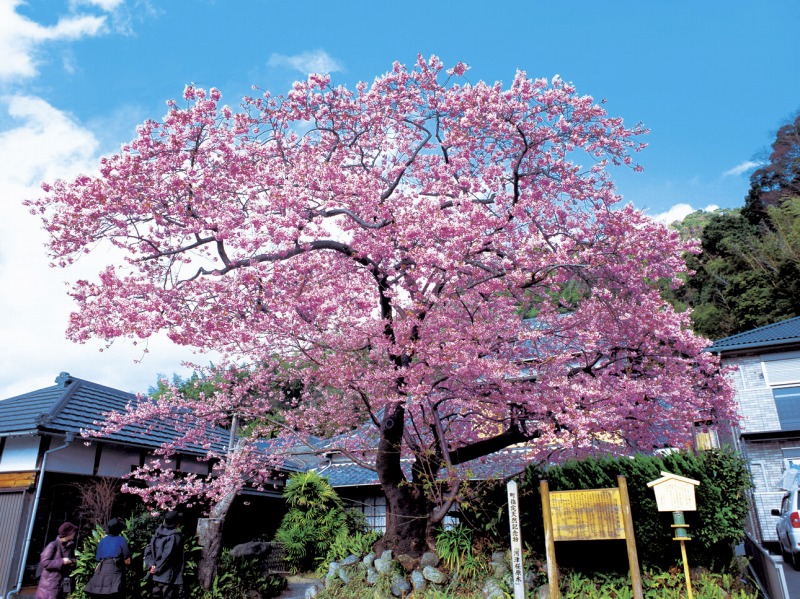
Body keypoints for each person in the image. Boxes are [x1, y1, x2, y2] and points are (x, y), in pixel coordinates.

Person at [83, 518, 131, 598]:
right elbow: (127, 561)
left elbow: (98, 558)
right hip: (115, 571)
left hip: (102, 571)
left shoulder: (102, 541)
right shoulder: (122, 540)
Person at [143, 511, 184, 599]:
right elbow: (167, 556)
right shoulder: (175, 536)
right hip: (168, 576)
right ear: (177, 523)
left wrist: (151, 566)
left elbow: (148, 550)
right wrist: (157, 568)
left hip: (155, 576)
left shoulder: (157, 533)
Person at [35, 521, 77, 599]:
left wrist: (72, 562)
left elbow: (72, 559)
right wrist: (62, 561)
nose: (75, 534)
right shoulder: (52, 545)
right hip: (49, 584)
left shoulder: (69, 546)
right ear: (69, 533)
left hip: (61, 583)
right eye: (73, 532)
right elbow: (45, 562)